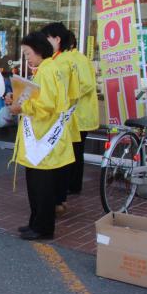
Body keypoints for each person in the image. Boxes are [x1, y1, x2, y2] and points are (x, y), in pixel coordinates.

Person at [9, 32, 75, 241]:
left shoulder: (47, 72)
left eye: (28, 53)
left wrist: (21, 107)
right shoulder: (48, 70)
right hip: (42, 140)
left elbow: (45, 106)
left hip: (43, 141)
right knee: (36, 185)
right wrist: (18, 100)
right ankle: (35, 223)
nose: (27, 57)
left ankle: (43, 228)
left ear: (38, 51)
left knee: (42, 188)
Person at [40, 22, 80, 215]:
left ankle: (58, 201)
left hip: (56, 119)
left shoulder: (60, 63)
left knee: (58, 163)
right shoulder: (57, 60)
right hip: (60, 118)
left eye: (45, 38)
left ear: (56, 40)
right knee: (60, 161)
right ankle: (59, 200)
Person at [66, 32, 99, 194]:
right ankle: (72, 185)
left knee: (75, 152)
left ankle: (73, 185)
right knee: (74, 151)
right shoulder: (73, 58)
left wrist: (66, 96)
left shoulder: (77, 59)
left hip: (78, 116)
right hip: (75, 116)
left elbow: (86, 84)